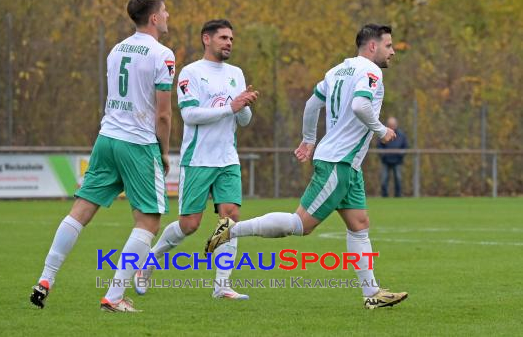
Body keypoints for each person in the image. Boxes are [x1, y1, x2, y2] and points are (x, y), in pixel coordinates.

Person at [205, 24, 408, 309]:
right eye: (389, 45)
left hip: (347, 164)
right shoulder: (371, 72)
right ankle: (230, 230)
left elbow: (313, 104)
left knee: (359, 225)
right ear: (372, 46)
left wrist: (309, 140)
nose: (393, 51)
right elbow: (361, 106)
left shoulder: (338, 70)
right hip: (339, 162)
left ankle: (371, 293)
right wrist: (380, 130)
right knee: (300, 225)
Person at [29, 0, 175, 312]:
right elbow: (163, 114)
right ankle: (114, 295)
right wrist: (163, 153)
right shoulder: (163, 54)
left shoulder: (115, 50)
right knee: (149, 221)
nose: (166, 17)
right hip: (138, 144)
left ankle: (45, 278)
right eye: (164, 12)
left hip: (106, 139)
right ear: (153, 17)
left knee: (80, 211)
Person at [134, 19, 258, 300]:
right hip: (199, 159)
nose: (229, 43)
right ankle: (148, 262)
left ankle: (221, 286)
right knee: (189, 225)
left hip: (228, 158)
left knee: (231, 218)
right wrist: (231, 106)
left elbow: (244, 121)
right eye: (223, 38)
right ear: (207, 39)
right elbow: (190, 115)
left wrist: (244, 105)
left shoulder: (236, 73)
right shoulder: (191, 72)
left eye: (231, 39)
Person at [378, 116, 408, 197]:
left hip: (397, 161)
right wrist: (383, 155)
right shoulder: (383, 133)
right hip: (386, 161)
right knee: (384, 179)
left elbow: (405, 146)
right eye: (390, 125)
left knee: (398, 179)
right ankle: (384, 196)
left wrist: (400, 155)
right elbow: (380, 146)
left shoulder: (402, 135)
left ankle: (398, 196)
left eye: (393, 125)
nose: (392, 126)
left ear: (396, 125)